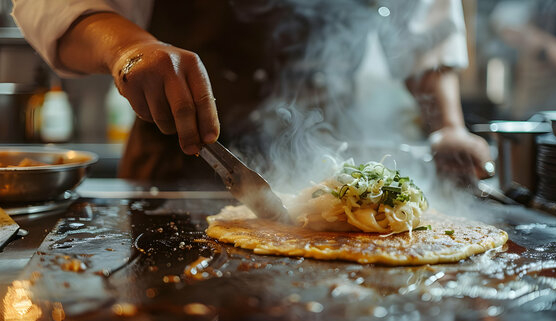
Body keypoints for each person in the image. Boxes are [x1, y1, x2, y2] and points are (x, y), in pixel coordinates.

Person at [12, 0, 491, 183]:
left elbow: (424, 25)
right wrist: (129, 48)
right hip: (174, 177)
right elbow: (53, 5)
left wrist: (448, 127)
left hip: (329, 170)